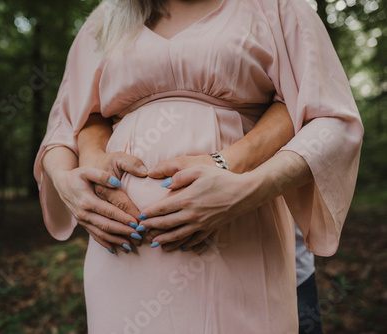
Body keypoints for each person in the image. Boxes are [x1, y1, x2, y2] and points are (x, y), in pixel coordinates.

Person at [34, 0, 363, 332]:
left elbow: (331, 120)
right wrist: (68, 180)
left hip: (238, 239)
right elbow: (66, 126)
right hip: (123, 257)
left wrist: (245, 188)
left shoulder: (276, 7)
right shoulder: (106, 18)